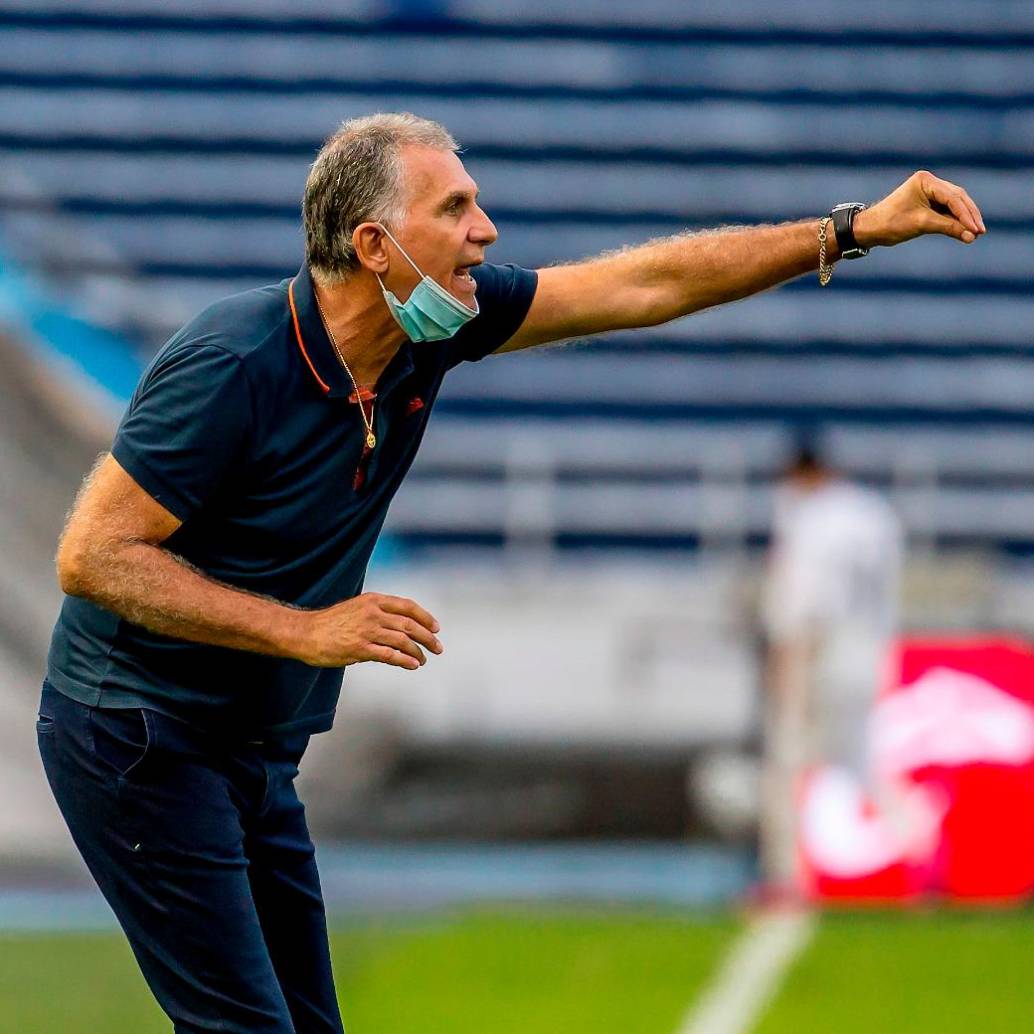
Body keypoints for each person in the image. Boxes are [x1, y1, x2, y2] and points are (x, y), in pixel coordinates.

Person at [37, 112, 985, 1032]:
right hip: (138, 737)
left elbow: (646, 284)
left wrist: (848, 229)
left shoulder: (435, 325)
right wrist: (304, 629)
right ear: (375, 243)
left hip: (249, 748)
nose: (484, 230)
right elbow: (93, 555)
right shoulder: (233, 364)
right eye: (453, 208)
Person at [758, 442, 904, 888]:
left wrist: (783, 660)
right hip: (870, 647)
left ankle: (787, 877)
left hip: (819, 649)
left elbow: (803, 601)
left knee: (788, 761)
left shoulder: (810, 515)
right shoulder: (874, 512)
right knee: (865, 761)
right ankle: (921, 852)